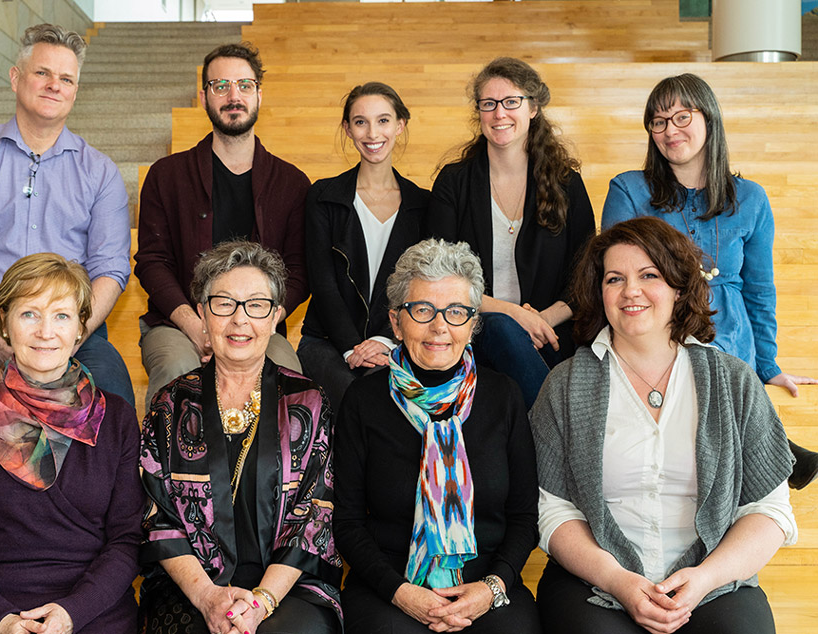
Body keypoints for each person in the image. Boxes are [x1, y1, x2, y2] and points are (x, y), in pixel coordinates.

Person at [530, 217, 797, 634]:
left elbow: (769, 510)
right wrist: (620, 581)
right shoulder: (564, 385)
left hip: (715, 584)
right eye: (614, 278)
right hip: (596, 584)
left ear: (678, 287)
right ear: (600, 294)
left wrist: (705, 578)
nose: (630, 291)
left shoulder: (734, 380)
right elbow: (555, 511)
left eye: (648, 275)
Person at [601, 72, 818, 488]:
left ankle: (763, 454)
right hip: (659, 322)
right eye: (659, 121)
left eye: (683, 117)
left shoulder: (750, 197)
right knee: (700, 359)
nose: (670, 130)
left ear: (709, 120)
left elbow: (759, 288)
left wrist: (768, 364)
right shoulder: (629, 189)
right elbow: (616, 269)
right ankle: (776, 449)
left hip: (730, 329)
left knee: (723, 358)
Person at [0, 253, 144, 634]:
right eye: (29, 314)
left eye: (61, 315)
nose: (45, 331)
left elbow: (128, 538)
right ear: (4, 325)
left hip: (91, 610)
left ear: (79, 329)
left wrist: (72, 612)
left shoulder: (117, 418)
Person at [0, 23, 134, 417]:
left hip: (72, 332)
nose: (54, 85)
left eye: (66, 78)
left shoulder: (100, 173)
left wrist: (70, 335)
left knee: (113, 391)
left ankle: (79, 481)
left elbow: (111, 269)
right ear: (16, 78)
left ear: (75, 91)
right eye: (43, 73)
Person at [334, 238, 542, 633]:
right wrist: (401, 592)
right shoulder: (363, 400)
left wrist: (491, 587)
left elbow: (524, 518)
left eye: (456, 311)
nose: (439, 326)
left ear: (474, 323)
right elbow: (346, 523)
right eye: (422, 310)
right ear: (396, 321)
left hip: (486, 583)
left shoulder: (503, 396)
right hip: (391, 584)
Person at [138, 241, 342, 634]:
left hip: (289, 586)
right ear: (202, 313)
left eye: (256, 305)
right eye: (224, 303)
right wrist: (208, 597)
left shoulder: (308, 402)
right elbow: (157, 516)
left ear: (276, 315)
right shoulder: (170, 404)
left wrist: (262, 602)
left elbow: (315, 515)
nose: (240, 319)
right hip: (190, 588)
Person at [135, 42, 309, 407]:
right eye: (221, 86)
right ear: (204, 97)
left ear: (259, 94)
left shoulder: (292, 183)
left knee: (287, 376)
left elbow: (298, 271)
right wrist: (197, 327)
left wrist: (263, 321)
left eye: (245, 85)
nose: (234, 96)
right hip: (177, 324)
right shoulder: (166, 175)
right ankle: (162, 466)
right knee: (178, 372)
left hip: (260, 326)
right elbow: (152, 263)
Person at [427, 57, 594, 409]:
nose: (499, 113)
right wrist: (516, 315)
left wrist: (542, 319)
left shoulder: (566, 184)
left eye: (510, 102)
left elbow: (586, 275)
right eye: (488, 104)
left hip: (552, 330)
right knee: (501, 328)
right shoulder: (453, 183)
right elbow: (442, 276)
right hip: (471, 327)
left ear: (533, 108)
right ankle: (556, 425)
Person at [298, 82, 428, 411]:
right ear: (347, 129)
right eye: (360, 122)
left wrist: (384, 341)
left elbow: (420, 288)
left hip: (399, 341)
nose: (372, 133)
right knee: (361, 401)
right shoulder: (324, 197)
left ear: (400, 125)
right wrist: (354, 348)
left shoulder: (423, 206)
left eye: (383, 120)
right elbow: (323, 284)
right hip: (327, 343)